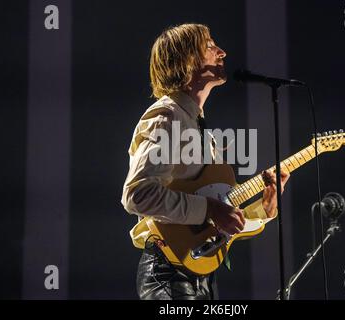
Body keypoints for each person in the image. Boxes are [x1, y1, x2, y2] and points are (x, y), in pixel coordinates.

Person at [121, 23, 290, 300]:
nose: (222, 52)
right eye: (210, 46)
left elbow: (217, 221)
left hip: (201, 275)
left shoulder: (200, 131)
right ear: (185, 59)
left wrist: (265, 209)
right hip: (168, 275)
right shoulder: (167, 117)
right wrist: (210, 208)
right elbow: (138, 195)